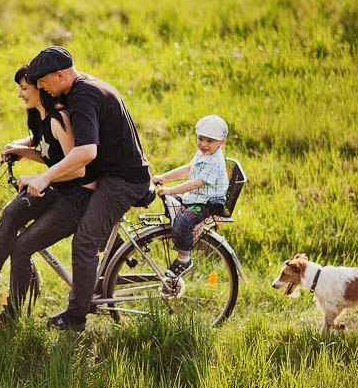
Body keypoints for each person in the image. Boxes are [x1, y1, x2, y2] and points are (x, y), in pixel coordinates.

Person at [20, 46, 152, 331]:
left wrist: (45, 178)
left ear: (61, 74)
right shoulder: (81, 87)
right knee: (91, 233)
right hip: (112, 175)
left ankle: (76, 316)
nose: (40, 87)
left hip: (122, 181)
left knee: (84, 242)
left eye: (43, 81)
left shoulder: (83, 96)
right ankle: (107, 271)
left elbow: (86, 152)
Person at [0, 65, 96, 321]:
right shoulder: (41, 118)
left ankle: (12, 317)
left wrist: (40, 178)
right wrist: (20, 150)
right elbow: (50, 155)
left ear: (40, 88)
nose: (20, 94)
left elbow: (78, 170)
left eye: (24, 88)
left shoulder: (58, 119)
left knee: (22, 247)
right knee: (11, 212)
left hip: (76, 197)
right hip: (58, 189)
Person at [151, 114, 229, 278]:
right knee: (172, 205)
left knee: (183, 221)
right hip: (195, 197)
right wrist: (165, 176)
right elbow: (189, 169)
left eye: (210, 141)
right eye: (200, 139)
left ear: (222, 142)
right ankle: (178, 232)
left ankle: (184, 259)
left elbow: (196, 183)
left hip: (208, 203)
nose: (203, 144)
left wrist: (170, 190)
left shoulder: (215, 162)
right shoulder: (203, 154)